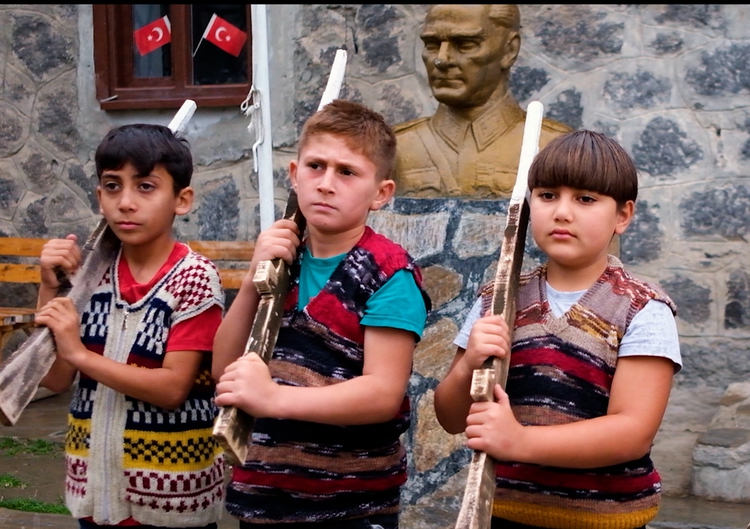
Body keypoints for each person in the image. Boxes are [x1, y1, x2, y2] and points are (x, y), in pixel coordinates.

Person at [433, 130, 682, 529]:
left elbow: (632, 431)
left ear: (623, 215)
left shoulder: (642, 309)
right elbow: (451, 417)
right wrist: (468, 368)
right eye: (548, 195)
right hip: (503, 512)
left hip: (604, 519)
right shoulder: (499, 299)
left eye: (585, 199)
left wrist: (520, 442)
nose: (562, 212)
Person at [212, 99, 431, 529]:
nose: (326, 183)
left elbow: (382, 394)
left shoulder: (389, 274)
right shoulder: (281, 262)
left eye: (347, 172)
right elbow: (224, 367)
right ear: (294, 176)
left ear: (381, 193)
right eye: (316, 166)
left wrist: (274, 398)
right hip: (263, 499)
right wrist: (255, 280)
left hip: (350, 504)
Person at [35, 124, 225, 529]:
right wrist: (50, 289)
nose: (125, 203)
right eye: (112, 186)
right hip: (94, 492)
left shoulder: (193, 278)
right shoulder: (90, 275)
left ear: (182, 199)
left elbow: (172, 388)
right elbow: (54, 378)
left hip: (170, 500)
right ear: (98, 195)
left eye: (145, 187)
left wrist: (80, 353)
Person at [393, 4, 572, 198]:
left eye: (465, 45)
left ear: (509, 50)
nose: (441, 60)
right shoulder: (394, 147)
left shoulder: (554, 147)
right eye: (432, 45)